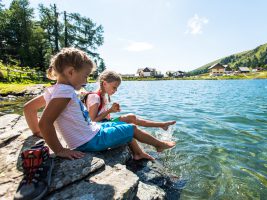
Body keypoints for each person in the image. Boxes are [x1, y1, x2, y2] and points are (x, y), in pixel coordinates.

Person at [23, 47, 176, 161]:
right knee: (132, 128)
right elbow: (45, 123)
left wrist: (37, 133)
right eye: (85, 76)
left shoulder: (55, 90)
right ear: (71, 72)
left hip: (90, 132)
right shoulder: (65, 92)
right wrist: (59, 150)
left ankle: (138, 153)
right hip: (89, 141)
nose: (86, 81)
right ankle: (159, 145)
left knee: (119, 126)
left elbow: (28, 109)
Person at [82, 69, 176, 130]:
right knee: (131, 120)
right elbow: (93, 120)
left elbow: (103, 116)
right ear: (105, 84)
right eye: (114, 87)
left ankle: (161, 125)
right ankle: (161, 127)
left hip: (104, 123)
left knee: (132, 117)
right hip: (98, 127)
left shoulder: (104, 96)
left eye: (117, 88)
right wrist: (110, 110)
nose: (116, 90)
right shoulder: (95, 97)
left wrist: (112, 111)